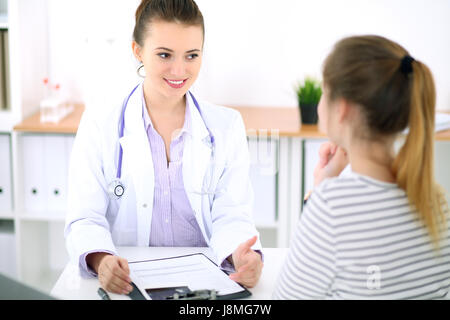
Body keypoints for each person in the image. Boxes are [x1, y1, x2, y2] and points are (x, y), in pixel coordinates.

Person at [65, 0, 263, 295]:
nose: (179, 70)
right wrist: (101, 259)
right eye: (164, 55)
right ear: (137, 51)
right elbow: (85, 218)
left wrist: (242, 257)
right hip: (132, 280)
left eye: (192, 55)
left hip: (204, 285)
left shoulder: (226, 126)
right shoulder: (99, 124)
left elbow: (231, 214)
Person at [273, 35, 450, 299]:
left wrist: (322, 189)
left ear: (342, 108)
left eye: (325, 91)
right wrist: (326, 182)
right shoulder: (435, 198)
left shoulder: (331, 207)